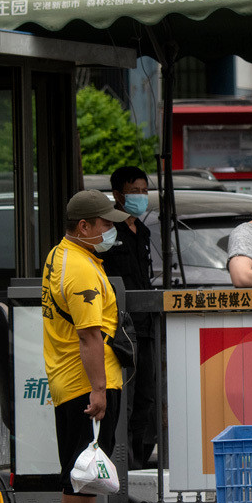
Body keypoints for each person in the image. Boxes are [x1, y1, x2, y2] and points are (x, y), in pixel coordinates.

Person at [41, 190, 129, 503]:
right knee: (88, 469)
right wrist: (98, 390)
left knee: (77, 464)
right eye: (105, 224)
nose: (111, 230)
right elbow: (90, 336)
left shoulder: (60, 255)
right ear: (84, 226)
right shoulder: (79, 268)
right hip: (86, 381)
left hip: (67, 377)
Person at [99, 166, 157, 469]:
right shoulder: (108, 232)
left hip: (146, 325)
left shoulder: (143, 232)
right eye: (135, 191)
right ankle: (123, 462)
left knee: (147, 394)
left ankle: (140, 458)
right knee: (127, 393)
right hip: (121, 326)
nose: (141, 196)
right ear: (118, 195)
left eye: (145, 191)